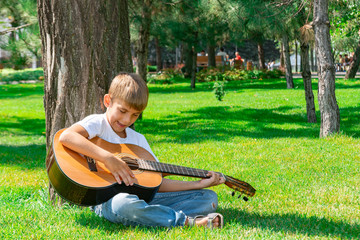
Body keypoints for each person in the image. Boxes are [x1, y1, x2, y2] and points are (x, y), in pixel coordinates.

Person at [59, 72, 225, 228]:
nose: (126, 119)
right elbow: (66, 137)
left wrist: (196, 184)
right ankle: (186, 221)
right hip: (105, 199)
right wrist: (108, 158)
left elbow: (157, 184)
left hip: (143, 199)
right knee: (123, 204)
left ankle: (152, 215)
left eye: (135, 115)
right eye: (122, 111)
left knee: (208, 197)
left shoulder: (138, 141)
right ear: (108, 101)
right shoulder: (98, 124)